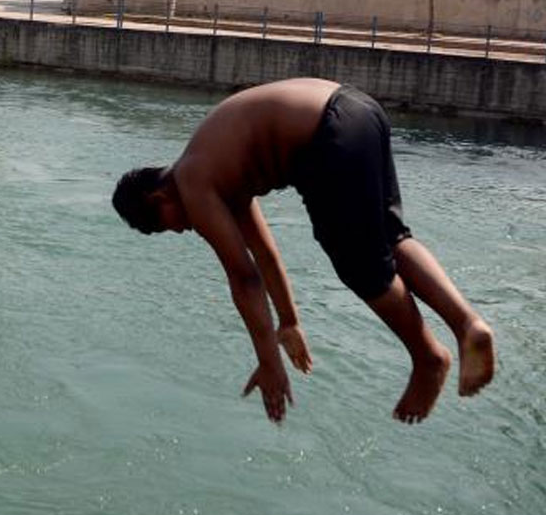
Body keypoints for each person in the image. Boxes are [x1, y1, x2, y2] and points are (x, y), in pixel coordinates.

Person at [112, 78, 495, 424]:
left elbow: (244, 278)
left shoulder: (192, 179)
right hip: (358, 108)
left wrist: (269, 364)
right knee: (391, 240)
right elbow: (264, 253)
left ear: (158, 197)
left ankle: (428, 356)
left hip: (326, 137)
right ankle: (467, 325)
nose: (183, 228)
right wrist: (289, 322)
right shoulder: (219, 169)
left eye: (168, 224)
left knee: (358, 267)